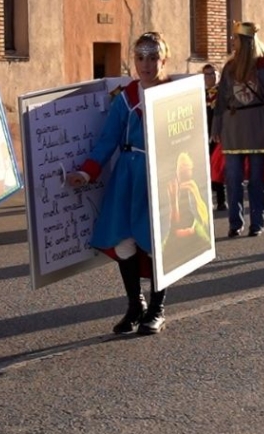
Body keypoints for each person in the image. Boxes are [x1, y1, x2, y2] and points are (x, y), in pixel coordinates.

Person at [67, 32, 174, 335]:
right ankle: (135, 304)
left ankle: (157, 308)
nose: (146, 64)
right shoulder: (125, 97)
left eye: (153, 57)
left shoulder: (173, 94)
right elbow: (108, 139)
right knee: (124, 242)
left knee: (155, 244)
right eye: (140, 57)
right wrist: (86, 172)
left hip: (158, 176)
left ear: (163, 59)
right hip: (127, 176)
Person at [212, 22, 264, 238]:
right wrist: (216, 127)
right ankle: (235, 223)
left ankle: (257, 223)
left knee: (256, 179)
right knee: (233, 179)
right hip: (233, 126)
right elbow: (222, 101)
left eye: (235, 38)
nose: (232, 42)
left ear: (244, 41)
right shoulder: (229, 67)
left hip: (257, 124)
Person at [202, 64, 226, 211]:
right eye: (206, 74)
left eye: (212, 74)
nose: (210, 77)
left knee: (218, 167)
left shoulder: (223, 94)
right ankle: (208, 199)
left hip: (219, 136)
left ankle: (222, 200)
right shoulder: (200, 94)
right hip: (204, 135)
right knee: (205, 168)